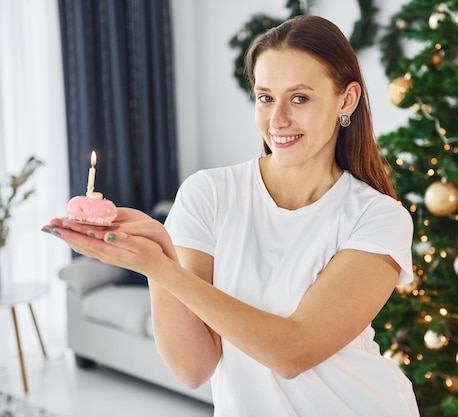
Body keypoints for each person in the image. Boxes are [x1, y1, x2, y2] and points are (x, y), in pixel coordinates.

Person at [44, 15, 420, 417]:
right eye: (265, 97)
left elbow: (293, 352)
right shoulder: (208, 194)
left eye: (299, 98)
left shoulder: (377, 216)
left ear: (346, 100)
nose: (277, 120)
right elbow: (193, 368)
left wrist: (166, 267)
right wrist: (157, 256)